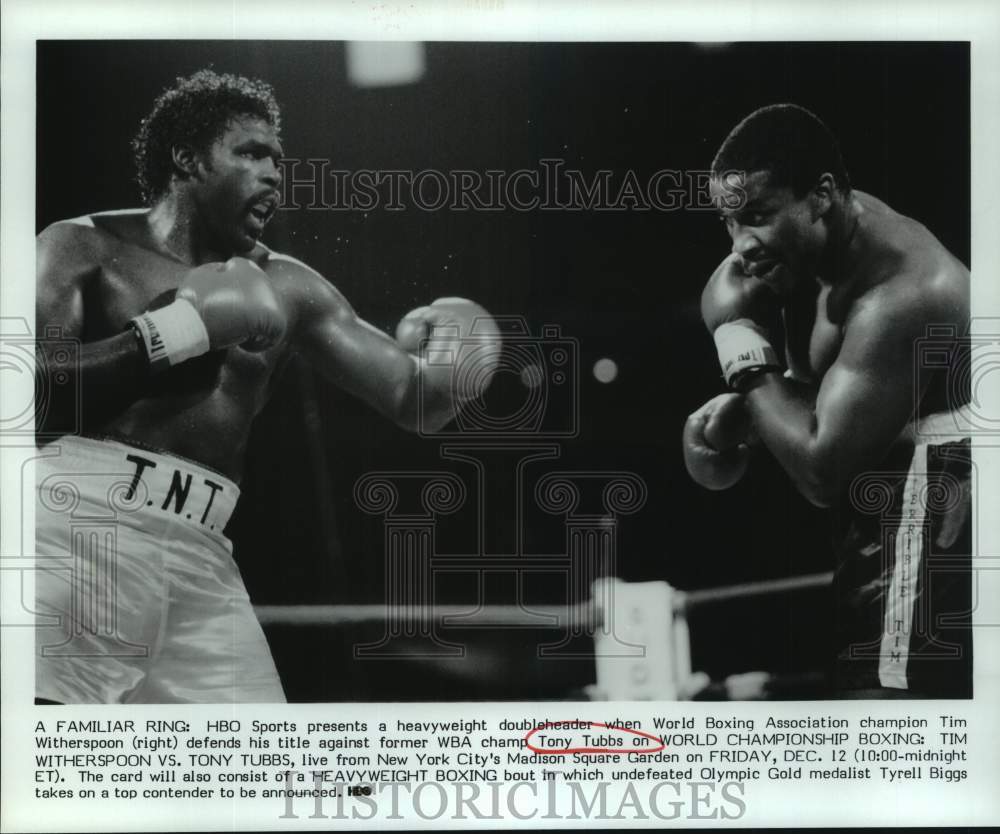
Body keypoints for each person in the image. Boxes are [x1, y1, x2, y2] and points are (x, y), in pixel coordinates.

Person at [34, 69, 501, 704]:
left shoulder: (289, 286)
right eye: (251, 153)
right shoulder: (81, 246)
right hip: (79, 528)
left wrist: (462, 357)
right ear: (187, 158)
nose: (274, 174)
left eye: (278, 160)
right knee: (51, 754)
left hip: (204, 554)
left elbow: (414, 400)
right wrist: (175, 332)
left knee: (262, 777)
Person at [682, 103, 972, 698]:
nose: (741, 246)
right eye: (729, 222)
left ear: (821, 195)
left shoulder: (906, 289)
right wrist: (753, 413)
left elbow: (821, 472)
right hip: (891, 494)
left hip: (942, 495)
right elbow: (827, 404)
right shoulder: (795, 257)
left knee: (887, 714)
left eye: (757, 216)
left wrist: (741, 352)